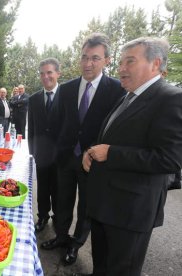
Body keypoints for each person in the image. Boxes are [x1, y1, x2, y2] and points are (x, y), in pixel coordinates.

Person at [79, 37, 182, 276]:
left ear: (155, 64)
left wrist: (111, 154)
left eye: (130, 62)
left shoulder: (170, 98)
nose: (121, 68)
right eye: (121, 62)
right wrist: (91, 152)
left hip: (130, 213)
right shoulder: (127, 96)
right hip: (105, 206)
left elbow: (169, 159)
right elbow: (111, 137)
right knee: (101, 268)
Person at [41, 33, 125, 266]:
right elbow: (59, 122)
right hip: (67, 157)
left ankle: (76, 244)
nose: (88, 63)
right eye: (84, 57)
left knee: (87, 207)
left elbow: (115, 129)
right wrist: (59, 149)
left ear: (107, 60)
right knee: (62, 201)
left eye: (95, 58)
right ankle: (60, 236)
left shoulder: (116, 90)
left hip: (94, 161)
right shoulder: (67, 89)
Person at [28, 58, 61, 233]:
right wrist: (32, 152)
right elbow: (31, 127)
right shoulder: (33, 99)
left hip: (60, 154)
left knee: (58, 188)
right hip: (41, 154)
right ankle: (42, 216)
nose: (45, 76)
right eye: (42, 73)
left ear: (57, 74)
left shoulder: (67, 95)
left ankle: (58, 216)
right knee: (42, 188)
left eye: (49, 72)